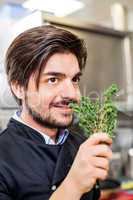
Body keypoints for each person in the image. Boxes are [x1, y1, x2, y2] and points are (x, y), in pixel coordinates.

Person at [0, 25, 112, 200]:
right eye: (53, 79)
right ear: (18, 87)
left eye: (74, 79)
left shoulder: (82, 143)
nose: (72, 94)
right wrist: (73, 186)